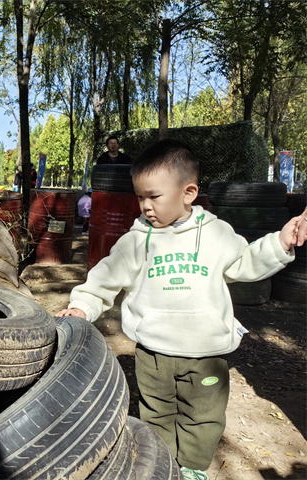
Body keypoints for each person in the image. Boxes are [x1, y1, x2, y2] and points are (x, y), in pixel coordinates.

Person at [56, 139, 303, 480]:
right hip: (153, 354)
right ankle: (163, 466)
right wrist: (82, 306)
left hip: (206, 354)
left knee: (204, 418)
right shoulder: (136, 240)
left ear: (188, 193)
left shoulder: (216, 234)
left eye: (153, 196)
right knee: (156, 414)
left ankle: (194, 468)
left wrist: (281, 242)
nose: (145, 206)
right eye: (140, 197)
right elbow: (105, 277)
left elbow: (246, 263)